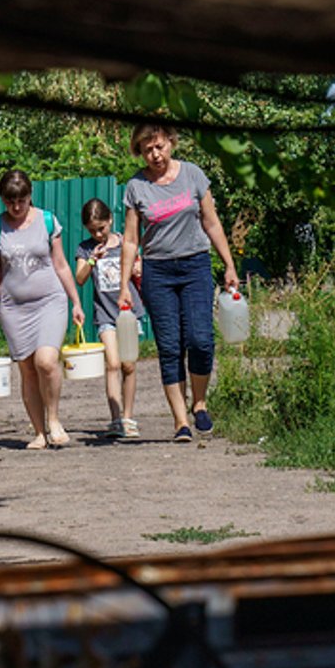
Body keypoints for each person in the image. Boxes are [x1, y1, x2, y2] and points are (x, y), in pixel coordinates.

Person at [117, 123, 240, 443]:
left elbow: (211, 222)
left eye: (159, 147)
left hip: (196, 265)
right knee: (169, 347)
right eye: (147, 150)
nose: (155, 155)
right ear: (140, 153)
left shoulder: (193, 175)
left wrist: (229, 264)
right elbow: (130, 240)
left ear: (171, 143)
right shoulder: (136, 186)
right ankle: (180, 421)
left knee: (200, 340)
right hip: (157, 272)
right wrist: (123, 284)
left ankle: (199, 402)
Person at [0, 169, 84, 449]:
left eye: (21, 201)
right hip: (13, 308)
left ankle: (54, 420)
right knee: (27, 370)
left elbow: (61, 264)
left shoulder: (47, 221)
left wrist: (75, 301)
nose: (16, 207)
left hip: (50, 301)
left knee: (46, 361)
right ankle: (39, 432)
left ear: (30, 197)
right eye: (10, 202)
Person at [74, 198, 142, 439]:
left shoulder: (125, 242)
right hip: (104, 313)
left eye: (101, 228)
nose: (98, 234)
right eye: (92, 230)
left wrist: (137, 269)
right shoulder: (85, 248)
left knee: (129, 364)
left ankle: (128, 416)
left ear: (110, 220)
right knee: (113, 363)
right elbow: (79, 278)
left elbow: (138, 266)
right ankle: (115, 420)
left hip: (128, 312)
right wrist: (93, 259)